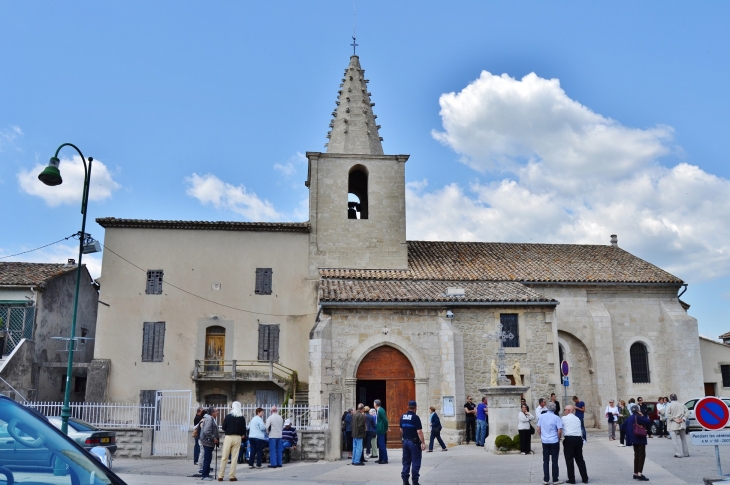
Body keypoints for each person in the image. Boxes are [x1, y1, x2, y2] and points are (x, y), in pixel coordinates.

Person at [621, 403, 651, 481]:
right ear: (638, 410)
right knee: (641, 455)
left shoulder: (629, 418)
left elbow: (622, 426)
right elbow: (648, 422)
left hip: (633, 438)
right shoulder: (638, 417)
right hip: (640, 437)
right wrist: (642, 415)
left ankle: (635, 473)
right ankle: (639, 473)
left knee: (636, 455)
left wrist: (628, 433)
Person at [218, 401, 246, 482]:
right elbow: (244, 429)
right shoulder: (242, 418)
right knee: (234, 457)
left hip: (228, 437)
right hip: (237, 437)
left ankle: (220, 475)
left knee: (224, 457)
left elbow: (223, 428)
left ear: (232, 408)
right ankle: (232, 476)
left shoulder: (228, 416)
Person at [537, 401, 563, 485]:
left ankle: (546, 479)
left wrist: (541, 436)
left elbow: (538, 428)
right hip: (554, 440)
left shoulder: (542, 416)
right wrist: (558, 438)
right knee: (554, 461)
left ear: (547, 407)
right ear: (555, 408)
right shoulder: (556, 418)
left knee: (546, 460)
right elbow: (559, 431)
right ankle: (555, 479)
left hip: (545, 441)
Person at [561, 404, 588, 484]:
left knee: (569, 460)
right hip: (578, 439)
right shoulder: (577, 419)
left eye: (565, 409)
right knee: (580, 459)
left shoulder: (563, 418)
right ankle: (584, 478)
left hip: (569, 439)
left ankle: (571, 479)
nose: (564, 411)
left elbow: (560, 428)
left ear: (569, 410)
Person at [400, 400, 425, 485]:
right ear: (415, 407)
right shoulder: (415, 417)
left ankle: (405, 481)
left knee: (406, 461)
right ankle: (415, 481)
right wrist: (423, 443)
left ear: (408, 406)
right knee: (415, 461)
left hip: (405, 441)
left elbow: (401, 430)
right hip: (414, 442)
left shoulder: (402, 416)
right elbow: (419, 432)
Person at [665, 393, 689, 458]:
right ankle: (686, 453)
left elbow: (667, 414)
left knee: (675, 440)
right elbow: (687, 412)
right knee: (683, 439)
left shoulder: (669, 405)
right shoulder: (682, 405)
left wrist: (674, 419)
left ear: (670, 398)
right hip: (681, 423)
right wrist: (683, 419)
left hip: (673, 424)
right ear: (676, 398)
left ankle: (677, 453)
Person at [199, 407, 219, 481]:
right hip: (207, 442)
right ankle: (204, 475)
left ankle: (206, 473)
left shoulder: (211, 419)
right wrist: (214, 438)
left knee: (208, 458)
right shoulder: (209, 419)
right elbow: (207, 431)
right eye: (216, 411)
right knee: (207, 459)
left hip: (209, 442)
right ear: (212, 413)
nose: (217, 412)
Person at [374, 399, 389, 464]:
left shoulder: (381, 410)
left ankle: (384, 459)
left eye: (374, 403)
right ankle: (381, 458)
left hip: (381, 429)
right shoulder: (378, 410)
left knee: (382, 445)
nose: (373, 404)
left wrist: (386, 428)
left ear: (376, 404)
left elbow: (385, 420)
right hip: (379, 429)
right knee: (380, 445)